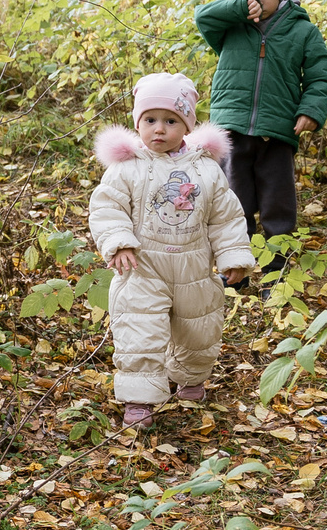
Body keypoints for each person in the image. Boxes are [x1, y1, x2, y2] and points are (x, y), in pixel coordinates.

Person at [88, 73, 254, 430]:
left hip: (194, 267)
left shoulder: (205, 168)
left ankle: (189, 378)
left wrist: (233, 256)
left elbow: (225, 217)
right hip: (143, 267)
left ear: (187, 126)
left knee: (199, 328)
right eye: (150, 120)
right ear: (138, 123)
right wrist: (119, 242)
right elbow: (107, 207)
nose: (159, 129)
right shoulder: (127, 167)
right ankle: (139, 400)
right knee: (139, 331)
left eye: (171, 121)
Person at [195, 0, 327, 271]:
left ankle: (277, 272)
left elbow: (320, 75)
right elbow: (202, 17)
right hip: (232, 129)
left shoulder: (302, 30)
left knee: (278, 204)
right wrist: (239, 8)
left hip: (277, 130)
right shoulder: (231, 26)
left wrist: (311, 110)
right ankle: (236, 269)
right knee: (234, 202)